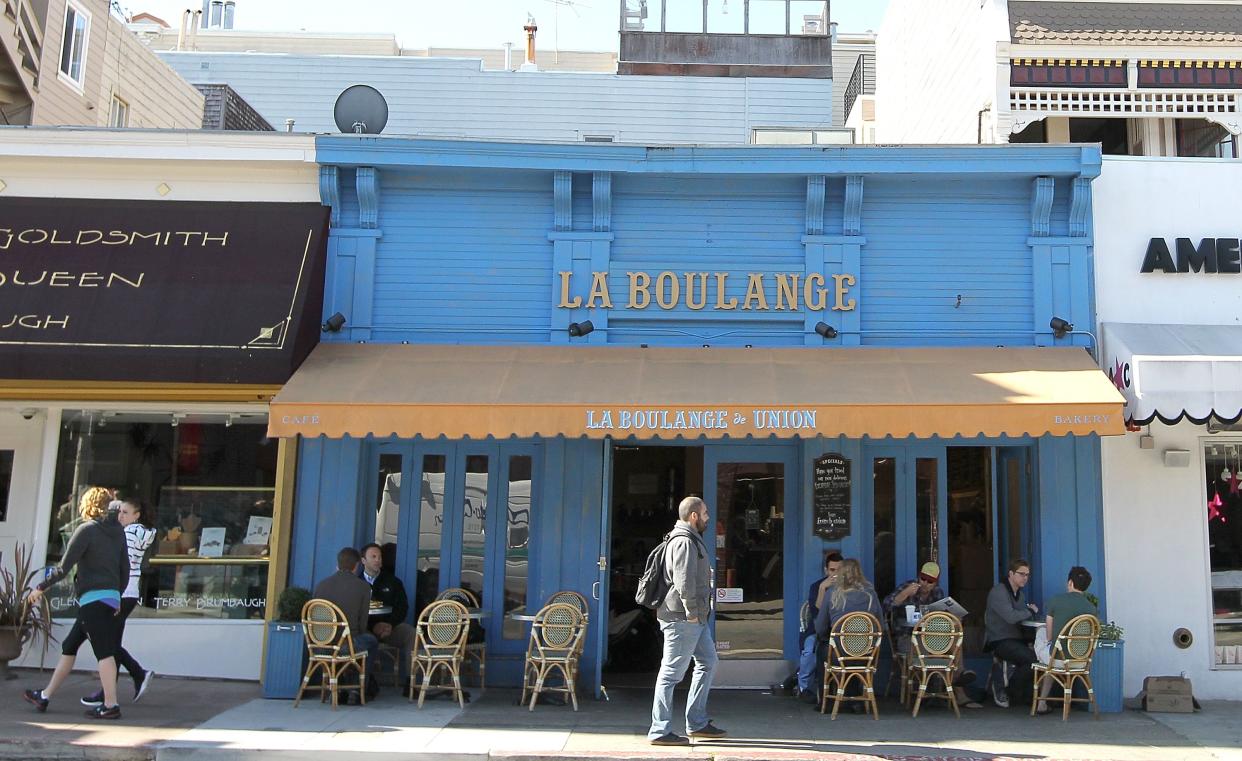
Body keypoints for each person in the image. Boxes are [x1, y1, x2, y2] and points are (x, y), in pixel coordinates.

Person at [23, 487, 129, 719]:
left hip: (93, 599)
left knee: (104, 653)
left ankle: (111, 705)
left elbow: (63, 568)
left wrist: (40, 588)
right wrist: (117, 596)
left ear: (88, 505)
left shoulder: (86, 530)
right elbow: (125, 569)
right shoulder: (118, 532)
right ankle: (45, 696)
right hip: (109, 598)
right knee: (70, 646)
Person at [648, 496, 726, 746]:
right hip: (683, 618)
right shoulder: (683, 541)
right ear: (693, 515)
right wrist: (692, 611)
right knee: (671, 673)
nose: (707, 517)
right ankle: (659, 730)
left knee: (708, 662)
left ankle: (697, 722)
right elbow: (683, 581)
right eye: (704, 513)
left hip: (696, 617)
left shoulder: (691, 539)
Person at [81, 498, 157, 708]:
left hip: (121, 592)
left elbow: (115, 560)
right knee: (112, 642)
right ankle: (108, 691)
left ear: (136, 515)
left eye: (125, 512)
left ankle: (138, 673)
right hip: (129, 592)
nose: (120, 516)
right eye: (119, 512)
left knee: (108, 644)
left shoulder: (128, 533)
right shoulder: (143, 533)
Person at [812, 558, 882, 714]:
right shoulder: (871, 594)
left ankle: (826, 700)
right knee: (852, 654)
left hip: (839, 654)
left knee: (823, 650)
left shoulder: (832, 594)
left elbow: (820, 628)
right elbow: (880, 626)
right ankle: (855, 698)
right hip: (866, 654)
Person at [314, 547, 380, 701]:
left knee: (349, 643)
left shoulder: (321, 585)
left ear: (337, 564)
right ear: (357, 565)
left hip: (320, 644)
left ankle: (335, 685)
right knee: (371, 641)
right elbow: (362, 625)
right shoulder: (362, 587)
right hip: (346, 644)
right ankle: (357, 689)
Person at [1033, 566, 1098, 715]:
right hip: (1081, 661)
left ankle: (1040, 701)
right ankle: (1042, 703)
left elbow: (1049, 636)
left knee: (1041, 633)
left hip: (1057, 659)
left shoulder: (1056, 601)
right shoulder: (1091, 608)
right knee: (1053, 652)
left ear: (1070, 582)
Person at [358, 543, 417, 694]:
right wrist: (373, 627)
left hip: (390, 628)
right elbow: (355, 612)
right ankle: (366, 682)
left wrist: (389, 624)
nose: (378, 560)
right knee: (360, 638)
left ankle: (411, 683)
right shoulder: (356, 583)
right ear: (363, 560)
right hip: (366, 629)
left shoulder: (393, 582)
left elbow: (402, 607)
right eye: (373, 557)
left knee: (411, 634)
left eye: (380, 557)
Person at [984, 558, 1039, 708]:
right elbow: (1011, 617)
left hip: (1016, 639)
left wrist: (1030, 640)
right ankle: (1006, 689)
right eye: (1022, 574)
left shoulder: (1020, 595)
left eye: (1027, 575)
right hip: (999, 640)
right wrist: (1029, 611)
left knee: (1039, 658)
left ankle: (1025, 697)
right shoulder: (998, 592)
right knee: (1032, 660)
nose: (1025, 578)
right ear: (1011, 574)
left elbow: (1020, 619)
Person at [793, 550, 842, 702]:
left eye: (839, 570)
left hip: (841, 632)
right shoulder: (817, 586)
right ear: (826, 570)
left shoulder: (849, 588)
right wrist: (823, 589)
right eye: (833, 570)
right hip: (817, 630)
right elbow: (816, 614)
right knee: (809, 651)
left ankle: (847, 689)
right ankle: (803, 688)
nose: (835, 574)